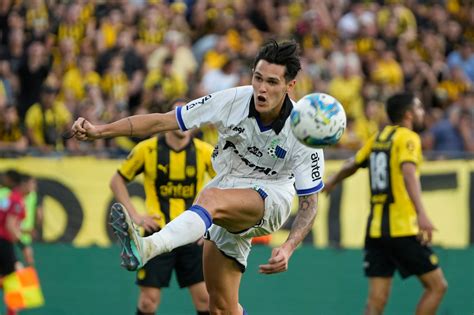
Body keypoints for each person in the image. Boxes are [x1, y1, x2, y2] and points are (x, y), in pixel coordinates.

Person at [73, 40, 325, 314]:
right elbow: (162, 121)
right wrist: (100, 131)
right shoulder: (230, 101)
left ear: (290, 86)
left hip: (272, 197)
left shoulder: (304, 129)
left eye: (272, 82)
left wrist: (289, 247)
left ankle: (147, 247)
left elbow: (310, 203)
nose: (262, 88)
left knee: (209, 197)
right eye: (258, 78)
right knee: (220, 308)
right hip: (228, 188)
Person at [324, 92, 448, 315]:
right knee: (437, 287)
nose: (422, 113)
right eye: (419, 108)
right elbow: (409, 173)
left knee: (376, 302)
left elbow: (353, 163)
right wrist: (421, 213)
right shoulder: (408, 137)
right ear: (409, 114)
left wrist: (332, 181)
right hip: (402, 229)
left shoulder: (379, 137)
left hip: (375, 232)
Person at [109, 99, 214, 315]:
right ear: (169, 119)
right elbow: (116, 181)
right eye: (180, 116)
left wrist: (213, 226)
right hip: (156, 234)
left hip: (192, 235)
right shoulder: (147, 149)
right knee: (148, 301)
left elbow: (226, 187)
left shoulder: (205, 152)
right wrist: (136, 216)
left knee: (204, 298)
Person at [0, 171, 31, 315]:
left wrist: (23, 232)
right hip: (3, 243)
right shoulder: (16, 200)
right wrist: (24, 247)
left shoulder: (10, 199)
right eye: (32, 184)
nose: (33, 187)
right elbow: (9, 226)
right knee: (15, 283)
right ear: (23, 184)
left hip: (4, 242)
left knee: (15, 279)